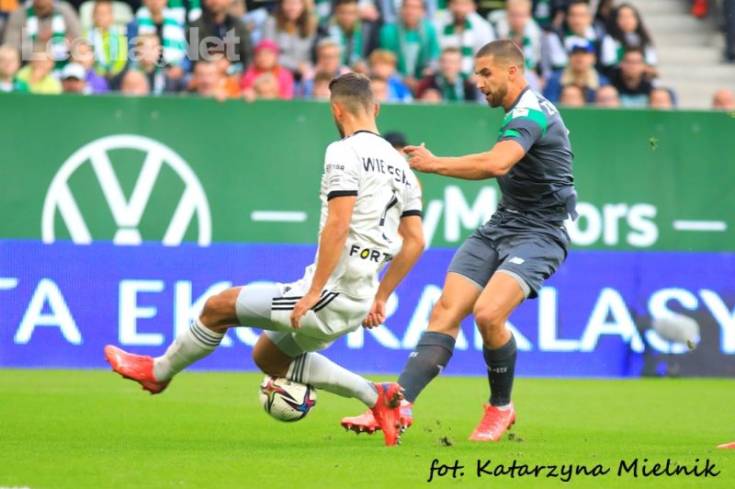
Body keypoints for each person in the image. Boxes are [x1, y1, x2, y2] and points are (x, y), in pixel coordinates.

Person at [104, 72, 426, 447]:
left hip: (328, 294)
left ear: (336, 111)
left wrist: (313, 292)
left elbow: (338, 225)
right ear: (376, 108)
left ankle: (158, 373)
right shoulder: (402, 167)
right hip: (359, 295)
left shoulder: (344, 151)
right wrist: (381, 296)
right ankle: (376, 395)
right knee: (269, 357)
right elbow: (416, 241)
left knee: (217, 308)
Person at [342, 39, 577, 442]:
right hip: (502, 225)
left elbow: (498, 162)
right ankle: (397, 405)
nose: (478, 82)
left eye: (486, 73)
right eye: (476, 73)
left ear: (512, 71)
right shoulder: (518, 113)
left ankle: (500, 407)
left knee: (488, 314)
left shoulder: (531, 113)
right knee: (445, 312)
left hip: (541, 233)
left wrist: (435, 164)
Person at [379, 0, 441, 89]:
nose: (410, 11)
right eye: (407, 7)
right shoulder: (389, 31)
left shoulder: (430, 30)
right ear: (401, 10)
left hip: (423, 81)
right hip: (395, 81)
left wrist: (425, 74)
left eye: (415, 8)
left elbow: (434, 58)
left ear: (423, 11)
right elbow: (386, 61)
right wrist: (402, 79)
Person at [3, 0, 82, 67]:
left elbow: (79, 40)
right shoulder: (19, 14)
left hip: (64, 67)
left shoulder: (64, 10)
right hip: (28, 67)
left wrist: (61, 41)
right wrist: (40, 42)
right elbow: (10, 47)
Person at [187, 0, 252, 69]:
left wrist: (231, 66)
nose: (214, 1)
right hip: (207, 71)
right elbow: (195, 60)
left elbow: (248, 56)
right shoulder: (195, 27)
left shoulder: (238, 25)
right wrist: (214, 64)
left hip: (235, 71)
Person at [437, 0, 495, 76]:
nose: (459, 9)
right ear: (449, 5)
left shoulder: (483, 27)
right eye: (455, 3)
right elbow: (433, 56)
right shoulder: (438, 23)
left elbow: (488, 58)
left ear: (474, 6)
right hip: (441, 74)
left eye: (464, 4)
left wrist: (477, 76)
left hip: (473, 77)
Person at [263, 0, 318, 80]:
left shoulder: (310, 25)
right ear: (281, 5)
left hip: (302, 74)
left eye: (296, 3)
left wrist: (306, 67)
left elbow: (309, 55)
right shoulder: (271, 23)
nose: (292, 8)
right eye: (288, 3)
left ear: (303, 5)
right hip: (277, 73)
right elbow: (268, 54)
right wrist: (296, 66)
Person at [319, 0, 379, 70]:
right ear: (336, 13)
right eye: (343, 12)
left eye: (351, 13)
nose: (347, 17)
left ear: (358, 14)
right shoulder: (326, 31)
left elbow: (369, 56)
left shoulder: (366, 32)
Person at [600, 3, 656, 75]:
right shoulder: (610, 40)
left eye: (630, 16)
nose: (627, 20)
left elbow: (651, 63)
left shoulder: (644, 39)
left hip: (642, 76)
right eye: (622, 17)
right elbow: (609, 65)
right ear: (615, 20)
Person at [543, 41, 607, 103]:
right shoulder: (556, 79)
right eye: (575, 53)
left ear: (593, 58)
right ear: (569, 57)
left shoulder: (601, 81)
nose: (579, 57)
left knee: (607, 92)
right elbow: (549, 103)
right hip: (564, 110)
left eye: (584, 54)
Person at [86, 0, 128, 80]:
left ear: (112, 17)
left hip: (115, 77)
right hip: (93, 77)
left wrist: (113, 71)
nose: (101, 17)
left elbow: (121, 60)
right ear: (92, 16)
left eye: (105, 14)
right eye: (98, 13)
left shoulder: (119, 38)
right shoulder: (87, 36)